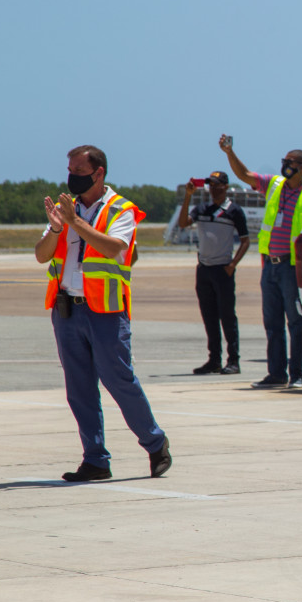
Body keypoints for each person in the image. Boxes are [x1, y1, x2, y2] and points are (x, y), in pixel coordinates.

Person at [35, 145, 171, 482]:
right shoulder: (65, 210)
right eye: (70, 171)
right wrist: (57, 229)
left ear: (99, 173)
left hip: (106, 311)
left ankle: (155, 443)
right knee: (78, 388)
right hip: (67, 310)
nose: (72, 177)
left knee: (119, 380)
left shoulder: (120, 210)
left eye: (79, 171)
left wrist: (75, 222)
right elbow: (41, 255)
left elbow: (114, 249)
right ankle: (95, 459)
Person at [219, 135, 302, 389]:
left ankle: (297, 374)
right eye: (283, 161)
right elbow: (244, 175)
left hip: (292, 268)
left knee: (296, 322)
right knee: (272, 323)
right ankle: (276, 374)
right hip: (270, 265)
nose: (284, 165)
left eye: (289, 162)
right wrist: (229, 152)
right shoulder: (274, 184)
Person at [177, 171, 250, 375]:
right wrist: (188, 196)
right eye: (210, 184)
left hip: (223, 270)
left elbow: (245, 241)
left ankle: (233, 360)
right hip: (204, 270)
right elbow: (183, 223)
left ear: (225, 187)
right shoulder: (201, 209)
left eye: (217, 184)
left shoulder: (234, 210)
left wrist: (232, 265)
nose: (213, 188)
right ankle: (214, 360)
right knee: (209, 317)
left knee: (227, 317)